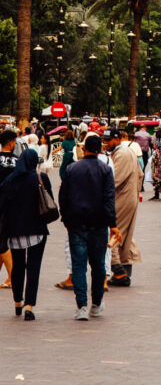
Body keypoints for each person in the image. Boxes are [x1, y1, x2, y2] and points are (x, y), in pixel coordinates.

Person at [59, 132, 119, 321]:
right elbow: (109, 199)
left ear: (84, 149)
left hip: (76, 223)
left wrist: (66, 220)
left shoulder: (71, 169)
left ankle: (82, 306)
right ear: (100, 150)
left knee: (78, 265)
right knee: (98, 265)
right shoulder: (105, 170)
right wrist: (113, 224)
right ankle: (96, 304)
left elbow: (63, 197)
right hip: (99, 224)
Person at [0, 149, 54, 320]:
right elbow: (49, 199)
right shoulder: (40, 178)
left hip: (15, 232)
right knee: (34, 268)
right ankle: (29, 305)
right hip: (37, 230)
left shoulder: (9, 181)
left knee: (17, 267)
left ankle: (17, 301)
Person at [105, 126, 143, 286]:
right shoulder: (124, 152)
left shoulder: (122, 154)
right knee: (125, 235)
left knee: (113, 233)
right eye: (104, 140)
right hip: (128, 197)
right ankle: (123, 271)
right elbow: (140, 174)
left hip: (122, 198)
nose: (106, 143)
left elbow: (113, 180)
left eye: (108, 140)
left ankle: (119, 271)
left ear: (117, 138)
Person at [0, 127, 18, 289]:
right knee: (3, 239)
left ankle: (13, 276)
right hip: (14, 205)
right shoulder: (18, 161)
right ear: (11, 143)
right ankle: (11, 276)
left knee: (1, 241)